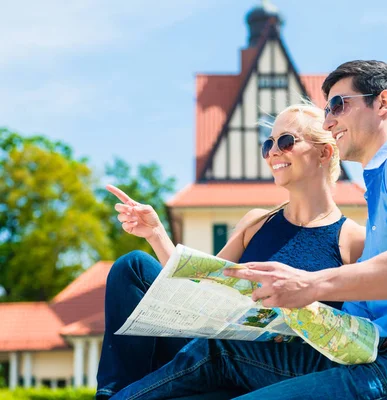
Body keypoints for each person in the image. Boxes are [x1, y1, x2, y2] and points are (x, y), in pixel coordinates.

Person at [109, 60, 387, 400]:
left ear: (383, 103)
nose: (330, 120)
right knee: (135, 270)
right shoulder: (379, 192)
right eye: (268, 143)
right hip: (383, 359)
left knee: (216, 356)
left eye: (339, 105)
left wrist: (310, 286)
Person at [95, 103, 366, 399]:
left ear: (324, 153)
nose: (274, 152)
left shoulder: (351, 239)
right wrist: (157, 233)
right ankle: (113, 393)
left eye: (286, 141)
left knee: (216, 348)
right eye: (268, 144)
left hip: (277, 370)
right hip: (213, 349)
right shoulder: (256, 221)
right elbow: (199, 288)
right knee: (133, 266)